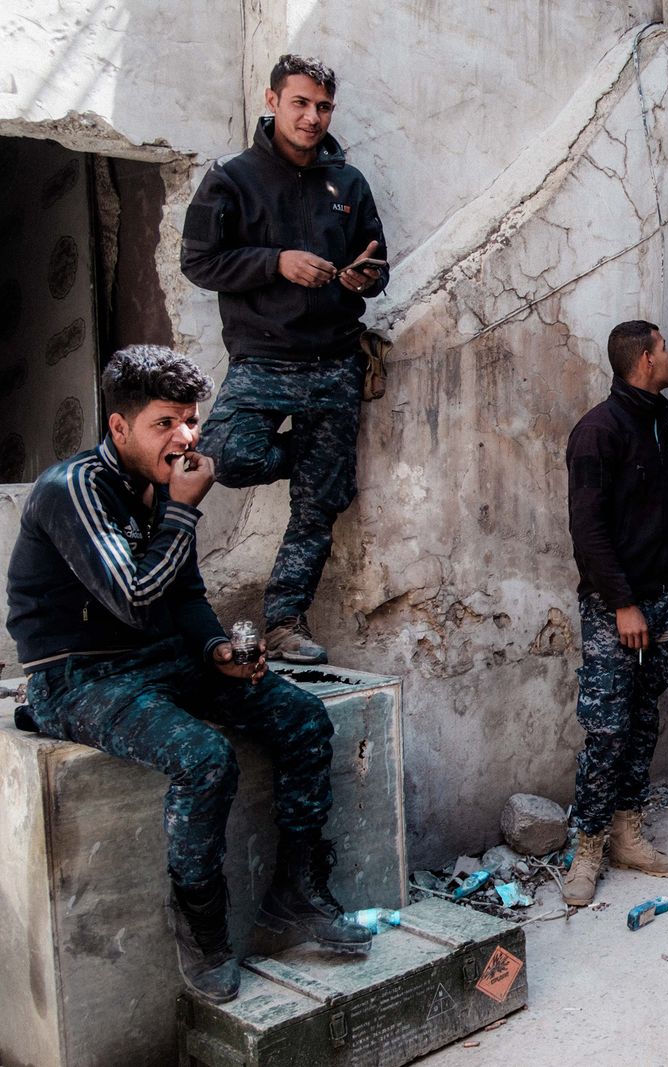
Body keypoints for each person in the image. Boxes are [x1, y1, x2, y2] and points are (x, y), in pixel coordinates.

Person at [6, 346, 371, 1005]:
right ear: (119, 428)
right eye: (164, 423)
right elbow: (137, 597)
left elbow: (183, 596)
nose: (185, 438)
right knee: (205, 758)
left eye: (191, 421)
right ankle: (203, 934)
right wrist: (182, 507)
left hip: (161, 658)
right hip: (79, 679)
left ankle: (294, 897)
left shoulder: (156, 485)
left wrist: (214, 651)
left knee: (302, 718)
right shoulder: (75, 489)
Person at [181, 53, 388, 665]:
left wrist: (361, 280)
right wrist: (277, 261)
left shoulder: (347, 184)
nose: (312, 116)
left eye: (323, 106)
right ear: (272, 101)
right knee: (223, 456)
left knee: (317, 506)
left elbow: (377, 268)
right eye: (300, 103)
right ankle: (317, 463)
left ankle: (283, 622)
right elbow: (199, 262)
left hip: (335, 363)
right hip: (263, 359)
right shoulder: (231, 179)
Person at [562, 320, 668, 906]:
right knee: (609, 728)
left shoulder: (659, 428)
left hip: (663, 601)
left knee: (644, 720)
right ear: (645, 359)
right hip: (616, 609)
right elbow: (587, 531)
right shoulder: (597, 432)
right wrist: (623, 604)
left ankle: (627, 831)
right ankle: (588, 846)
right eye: (665, 347)